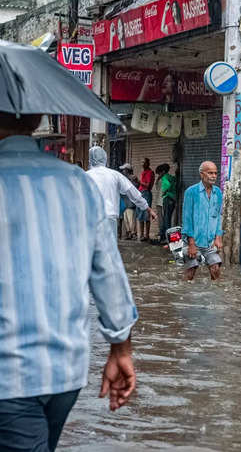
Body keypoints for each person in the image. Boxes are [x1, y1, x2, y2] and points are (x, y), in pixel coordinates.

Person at [0, 114, 138, 451]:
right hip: (66, 373)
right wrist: (120, 347)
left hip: (9, 378)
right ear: (35, 120)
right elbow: (108, 271)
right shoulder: (77, 182)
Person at [86, 147, 156, 243]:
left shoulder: (83, 176)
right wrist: (148, 209)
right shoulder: (115, 175)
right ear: (105, 159)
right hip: (109, 219)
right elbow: (133, 192)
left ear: (90, 159)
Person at [182, 161, 223, 281]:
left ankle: (214, 297)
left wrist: (218, 237)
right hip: (193, 240)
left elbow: (218, 216)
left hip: (210, 241)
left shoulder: (218, 192)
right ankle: (185, 295)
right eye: (210, 173)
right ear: (201, 174)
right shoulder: (191, 192)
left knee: (215, 268)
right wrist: (191, 244)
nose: (214, 176)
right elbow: (187, 219)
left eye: (215, 173)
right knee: (191, 271)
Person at [136, 157, 155, 241]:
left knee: (146, 215)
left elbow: (147, 185)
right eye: (141, 162)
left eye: (144, 162)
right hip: (141, 193)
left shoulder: (150, 172)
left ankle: (146, 235)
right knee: (140, 215)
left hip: (146, 193)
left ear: (148, 163)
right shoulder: (144, 172)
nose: (142, 164)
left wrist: (138, 181)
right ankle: (141, 235)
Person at [158, 163, 177, 243]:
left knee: (166, 220)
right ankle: (169, 239)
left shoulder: (165, 177)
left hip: (167, 198)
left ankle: (167, 239)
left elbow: (167, 185)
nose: (159, 175)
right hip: (173, 199)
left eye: (159, 173)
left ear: (163, 171)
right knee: (169, 219)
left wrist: (163, 192)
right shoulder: (171, 177)